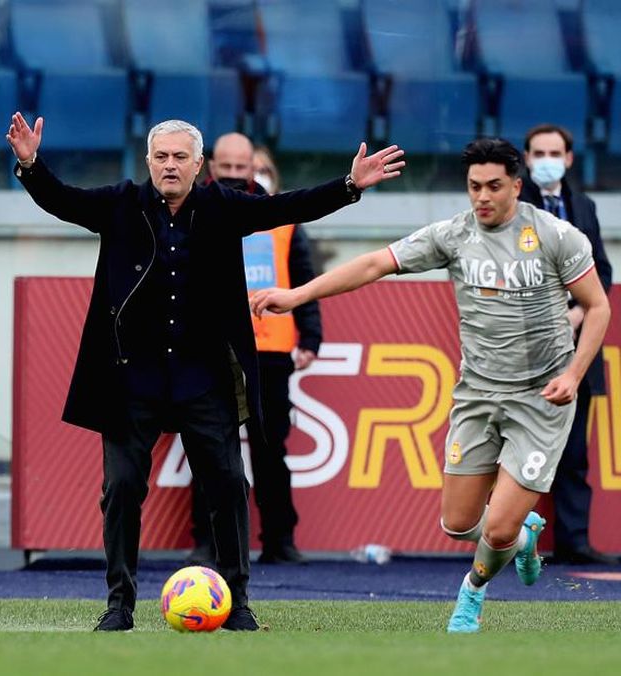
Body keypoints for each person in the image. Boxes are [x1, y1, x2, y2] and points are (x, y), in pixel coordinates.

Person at [6, 111, 404, 631]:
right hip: (132, 378)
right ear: (148, 161)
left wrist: (350, 185)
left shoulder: (224, 206)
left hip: (204, 377)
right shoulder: (121, 204)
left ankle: (237, 601)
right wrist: (32, 165)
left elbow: (290, 205)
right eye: (160, 157)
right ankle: (119, 603)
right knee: (122, 489)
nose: (169, 166)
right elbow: (63, 200)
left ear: (200, 165)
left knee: (228, 484)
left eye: (179, 158)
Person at [251, 138, 611, 632]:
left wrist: (573, 374)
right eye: (473, 187)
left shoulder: (556, 235)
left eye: (493, 187)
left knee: (499, 525)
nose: (482, 197)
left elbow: (598, 307)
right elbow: (375, 263)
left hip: (541, 396)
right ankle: (522, 541)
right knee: (459, 523)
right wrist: (297, 295)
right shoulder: (454, 235)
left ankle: (472, 593)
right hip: (478, 394)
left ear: (516, 187)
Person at [187, 133, 321, 566]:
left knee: (270, 451)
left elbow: (303, 279)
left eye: (240, 169)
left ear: (254, 168)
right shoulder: (190, 211)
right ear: (211, 167)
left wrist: (311, 336)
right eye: (224, 169)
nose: (231, 177)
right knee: (209, 448)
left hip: (269, 350)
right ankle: (207, 543)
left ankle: (279, 540)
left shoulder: (279, 217)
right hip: (209, 348)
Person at [519, 124, 619, 566]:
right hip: (525, 349)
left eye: (554, 152)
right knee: (520, 450)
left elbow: (601, 269)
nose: (546, 159)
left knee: (575, 452)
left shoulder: (585, 207)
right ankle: (509, 544)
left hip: (578, 349)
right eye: (538, 152)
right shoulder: (516, 208)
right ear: (525, 157)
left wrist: (580, 311)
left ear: (569, 158)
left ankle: (574, 543)